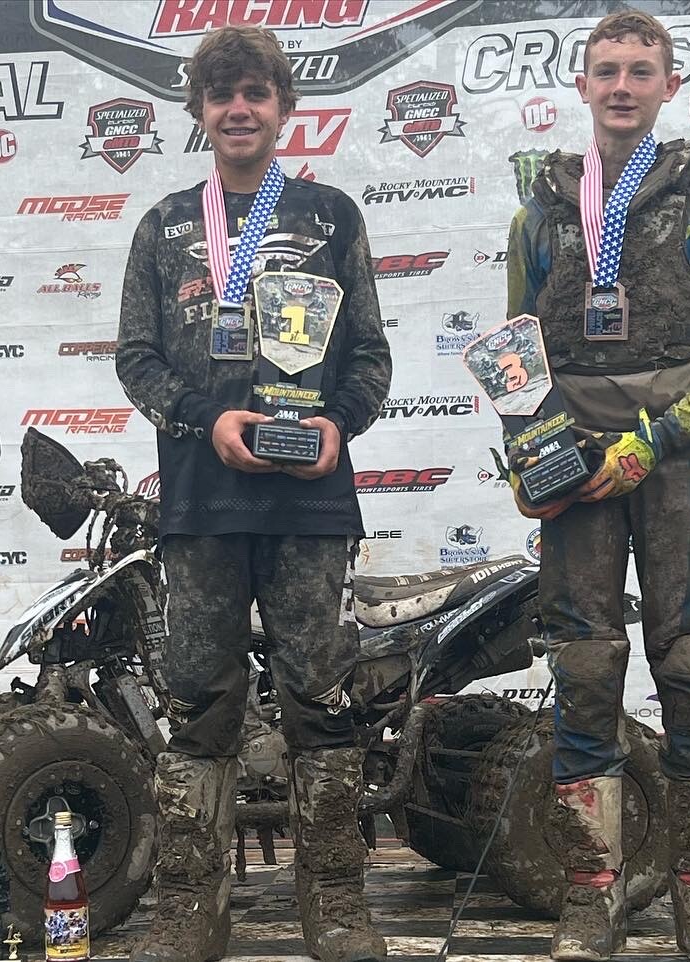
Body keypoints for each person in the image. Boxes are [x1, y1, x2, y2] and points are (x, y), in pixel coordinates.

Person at [502, 10, 690, 961]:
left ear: (669, 91)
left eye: (640, 71)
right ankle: (593, 894)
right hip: (577, 470)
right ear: (582, 85)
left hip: (678, 462)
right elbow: (515, 356)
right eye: (607, 70)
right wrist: (532, 458)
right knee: (583, 669)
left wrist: (658, 437)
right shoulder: (540, 211)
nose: (622, 86)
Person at [115, 25, 391, 962]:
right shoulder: (164, 226)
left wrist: (338, 425)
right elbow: (136, 359)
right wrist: (206, 419)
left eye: (256, 94)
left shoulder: (332, 216)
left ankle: (337, 905)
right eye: (222, 94)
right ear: (199, 110)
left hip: (310, 503)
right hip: (202, 500)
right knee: (200, 702)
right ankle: (189, 909)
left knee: (322, 698)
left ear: (284, 109)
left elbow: (371, 356)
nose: (239, 109)